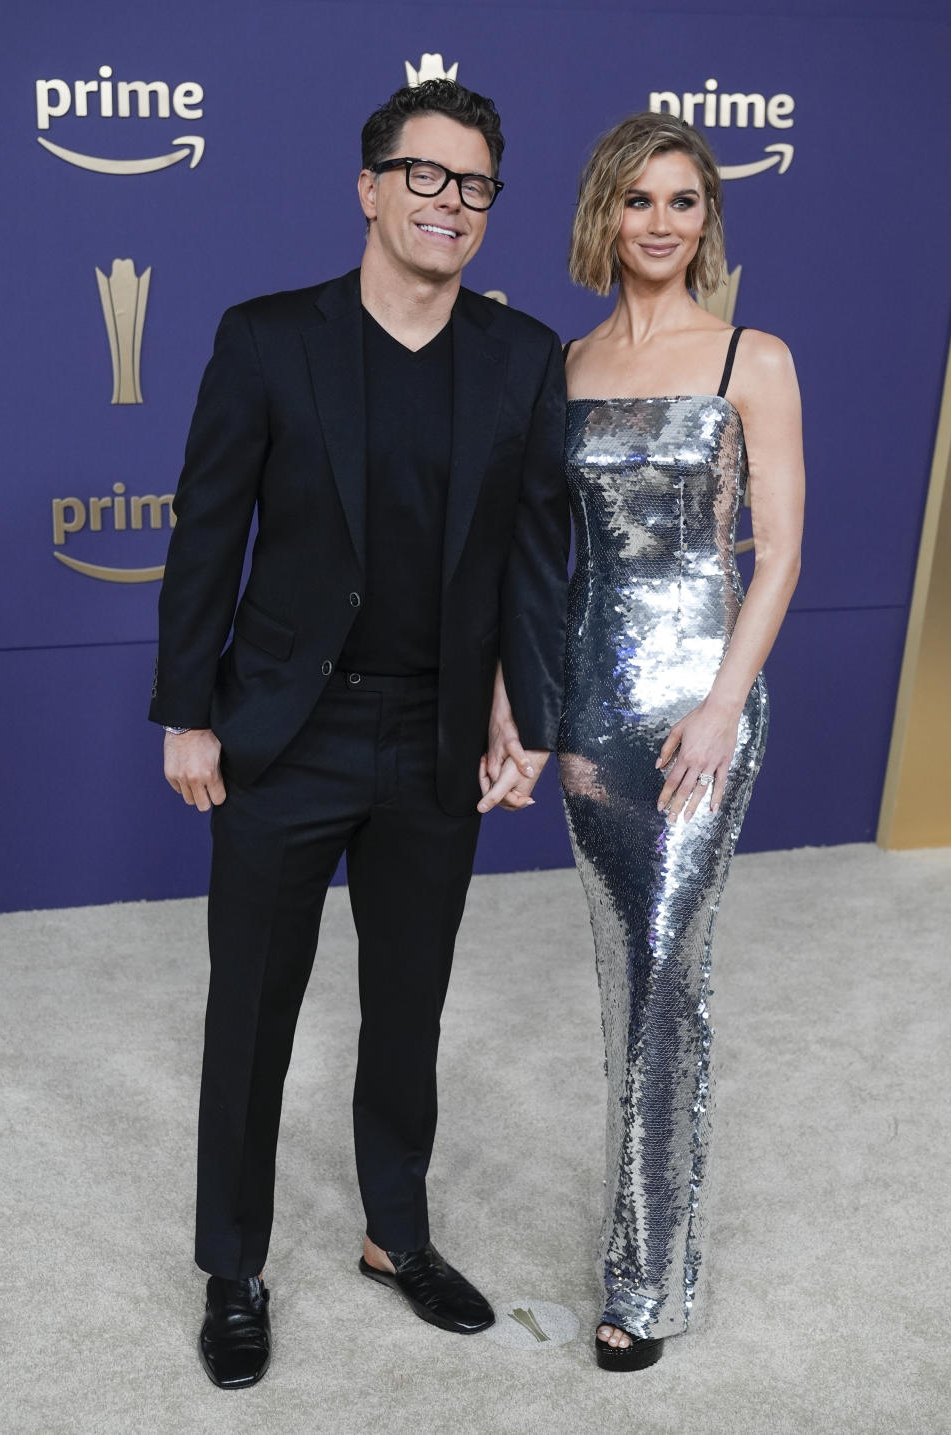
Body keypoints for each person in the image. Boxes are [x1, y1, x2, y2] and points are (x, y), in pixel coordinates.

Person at [149, 78, 570, 1389]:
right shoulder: (270, 339)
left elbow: (533, 554)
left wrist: (528, 709)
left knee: (406, 1006)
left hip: (435, 736)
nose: (451, 203)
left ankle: (397, 1230)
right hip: (285, 732)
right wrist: (186, 710)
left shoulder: (522, 357)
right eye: (426, 176)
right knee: (253, 1012)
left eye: (476, 185)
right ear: (371, 186)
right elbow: (209, 530)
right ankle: (234, 1261)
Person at [558, 112, 804, 1368]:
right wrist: (533, 711)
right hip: (594, 715)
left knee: (666, 979)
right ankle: (645, 1237)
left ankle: (648, 1280)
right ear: (606, 212)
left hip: (704, 710)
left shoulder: (751, 358)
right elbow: (554, 569)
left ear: (711, 221)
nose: (662, 224)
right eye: (641, 201)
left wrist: (719, 707)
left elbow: (781, 554)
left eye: (686, 204)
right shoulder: (567, 364)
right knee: (624, 986)